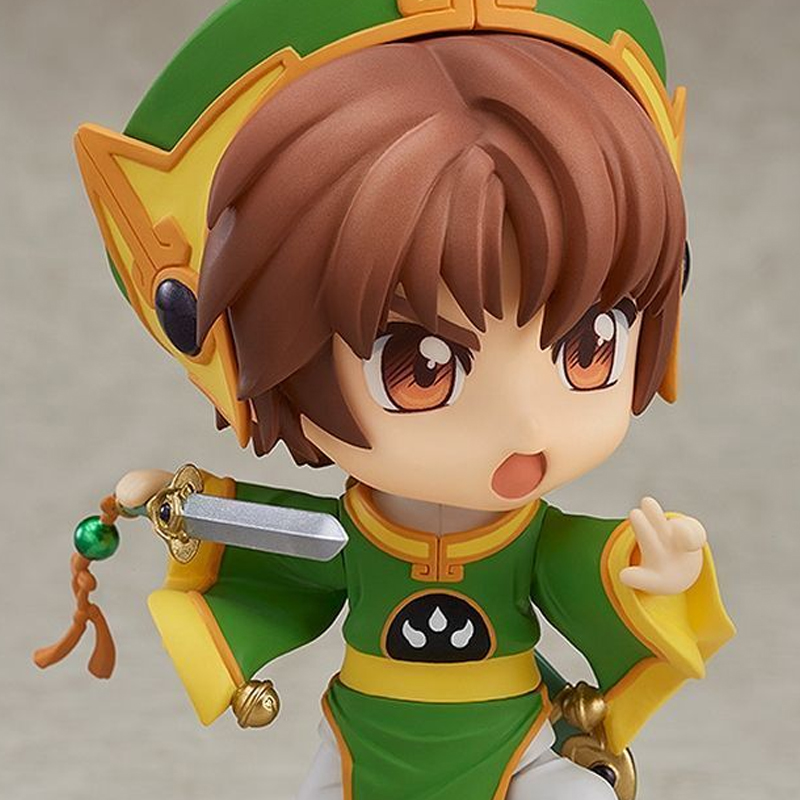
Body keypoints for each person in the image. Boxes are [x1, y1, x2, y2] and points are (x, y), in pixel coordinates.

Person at [56, 4, 736, 799]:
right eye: (422, 368)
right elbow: (274, 543)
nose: (525, 424)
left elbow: (595, 570)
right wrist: (183, 504)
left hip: (516, 740)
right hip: (362, 740)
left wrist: (655, 573)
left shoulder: (529, 543)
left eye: (589, 347)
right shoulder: (343, 537)